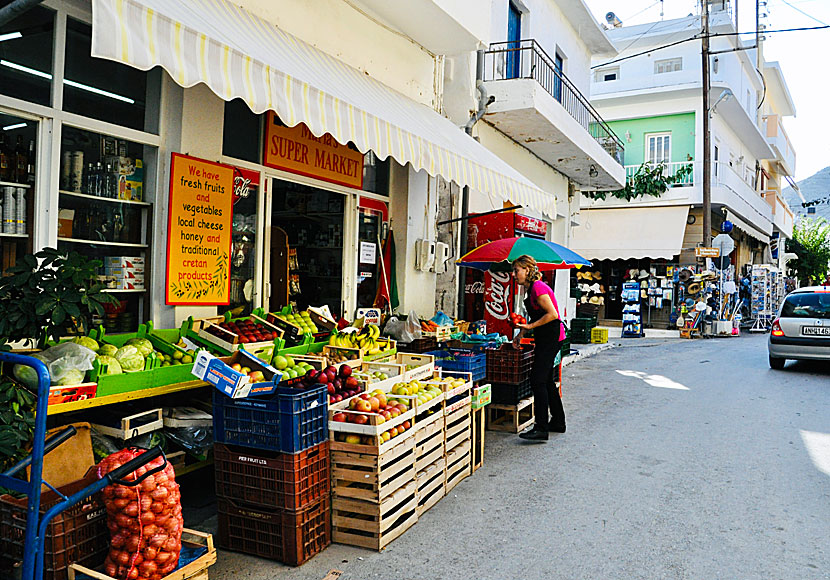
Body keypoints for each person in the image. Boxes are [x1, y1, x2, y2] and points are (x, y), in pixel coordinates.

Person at [511, 255, 566, 442]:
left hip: (552, 337)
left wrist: (530, 328)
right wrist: (521, 335)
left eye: (516, 270)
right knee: (547, 381)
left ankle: (541, 427)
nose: (513, 275)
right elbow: (535, 318)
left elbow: (552, 314)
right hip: (545, 337)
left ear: (527, 270)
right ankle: (558, 422)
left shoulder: (539, 288)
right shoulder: (530, 290)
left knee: (538, 380)